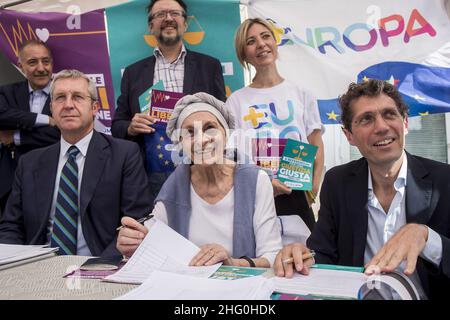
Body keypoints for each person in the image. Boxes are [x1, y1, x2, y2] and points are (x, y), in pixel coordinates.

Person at [274, 79, 450, 299]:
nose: (382, 127)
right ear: (349, 136)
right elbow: (322, 253)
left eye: (389, 114)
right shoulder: (337, 182)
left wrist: (426, 238)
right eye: (366, 119)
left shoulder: (445, 180)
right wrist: (301, 255)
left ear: (405, 122)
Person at [117, 92, 282, 268]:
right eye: (190, 133)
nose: (201, 140)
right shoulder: (175, 186)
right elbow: (151, 240)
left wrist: (232, 263)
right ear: (181, 143)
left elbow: (272, 256)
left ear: (226, 134)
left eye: (210, 127)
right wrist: (133, 244)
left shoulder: (256, 181)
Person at [0, 69, 152, 257]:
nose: (68, 105)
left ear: (95, 107)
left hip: (99, 266)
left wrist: (100, 265)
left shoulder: (124, 155)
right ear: (52, 108)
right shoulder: (29, 163)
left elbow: (136, 221)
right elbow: (11, 226)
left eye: (78, 97)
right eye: (60, 98)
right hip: (36, 268)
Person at [112, 0, 226, 204]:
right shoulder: (133, 73)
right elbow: (117, 125)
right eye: (160, 14)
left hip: (202, 165)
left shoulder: (209, 66)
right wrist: (130, 127)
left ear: (185, 23)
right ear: (150, 26)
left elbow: (223, 120)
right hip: (152, 175)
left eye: (174, 13)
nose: (168, 19)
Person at [225, 18, 325, 231]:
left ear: (275, 42)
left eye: (265, 36)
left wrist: (313, 191)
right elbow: (230, 157)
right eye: (251, 41)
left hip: (297, 194)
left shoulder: (302, 94)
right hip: (256, 195)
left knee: (304, 260)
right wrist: (263, 185)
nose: (261, 44)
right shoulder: (236, 101)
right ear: (244, 54)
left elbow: (315, 143)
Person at [0, 40, 60, 215]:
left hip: (54, 178)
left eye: (46, 61)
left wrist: (15, 138)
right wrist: (45, 120)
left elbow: (61, 133)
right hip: (11, 183)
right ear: (20, 66)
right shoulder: (6, 92)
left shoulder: (63, 94)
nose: (41, 68)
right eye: (33, 62)